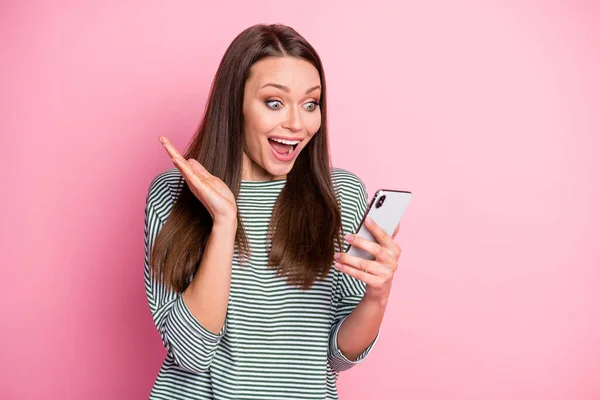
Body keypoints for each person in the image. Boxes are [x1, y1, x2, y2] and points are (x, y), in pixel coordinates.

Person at [144, 23, 402, 400]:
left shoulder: (340, 194)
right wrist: (224, 222)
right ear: (236, 105)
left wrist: (378, 295)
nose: (297, 124)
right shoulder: (174, 194)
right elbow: (191, 353)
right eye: (274, 102)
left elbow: (338, 356)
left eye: (311, 104)